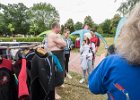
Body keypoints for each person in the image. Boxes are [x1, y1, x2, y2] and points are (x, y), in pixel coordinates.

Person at [88, 3, 140, 100]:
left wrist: (101, 61)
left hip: (96, 53)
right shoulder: (91, 40)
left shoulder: (111, 62)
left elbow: (93, 87)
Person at [46, 22, 66, 100]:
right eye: (59, 27)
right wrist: (60, 43)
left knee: (58, 73)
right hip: (55, 56)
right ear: (56, 27)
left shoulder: (55, 35)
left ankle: (56, 90)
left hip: (57, 55)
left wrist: (58, 44)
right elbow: (64, 44)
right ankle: (54, 94)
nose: (60, 29)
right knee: (55, 73)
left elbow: (62, 44)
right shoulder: (52, 35)